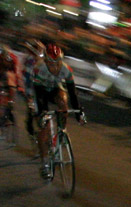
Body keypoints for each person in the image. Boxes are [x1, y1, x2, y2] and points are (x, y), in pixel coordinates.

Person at [33, 43, 85, 179]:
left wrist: (79, 112)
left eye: (58, 63)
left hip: (55, 90)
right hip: (42, 94)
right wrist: (43, 113)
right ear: (45, 61)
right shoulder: (39, 69)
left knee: (63, 98)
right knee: (44, 128)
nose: (55, 67)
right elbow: (38, 96)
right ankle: (44, 163)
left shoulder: (66, 70)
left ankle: (61, 130)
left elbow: (73, 93)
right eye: (51, 63)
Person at [0, 44, 23, 135]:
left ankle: (10, 108)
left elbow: (16, 72)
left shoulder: (13, 58)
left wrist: (18, 85)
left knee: (11, 90)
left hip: (9, 79)